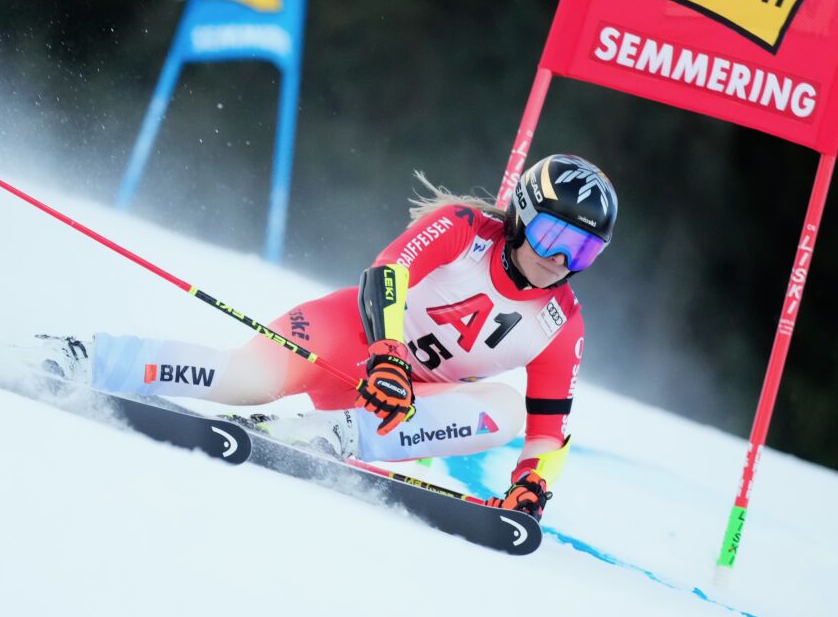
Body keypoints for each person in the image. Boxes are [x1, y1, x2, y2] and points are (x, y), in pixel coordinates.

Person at [37, 154, 617, 520]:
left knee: (507, 409)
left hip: (406, 404)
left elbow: (549, 431)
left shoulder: (560, 324)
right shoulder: (463, 230)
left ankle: (328, 433)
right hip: (350, 341)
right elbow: (386, 274)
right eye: (549, 235)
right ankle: (86, 356)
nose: (560, 258)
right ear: (520, 216)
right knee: (246, 379)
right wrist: (387, 354)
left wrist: (531, 486)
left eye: (583, 250)